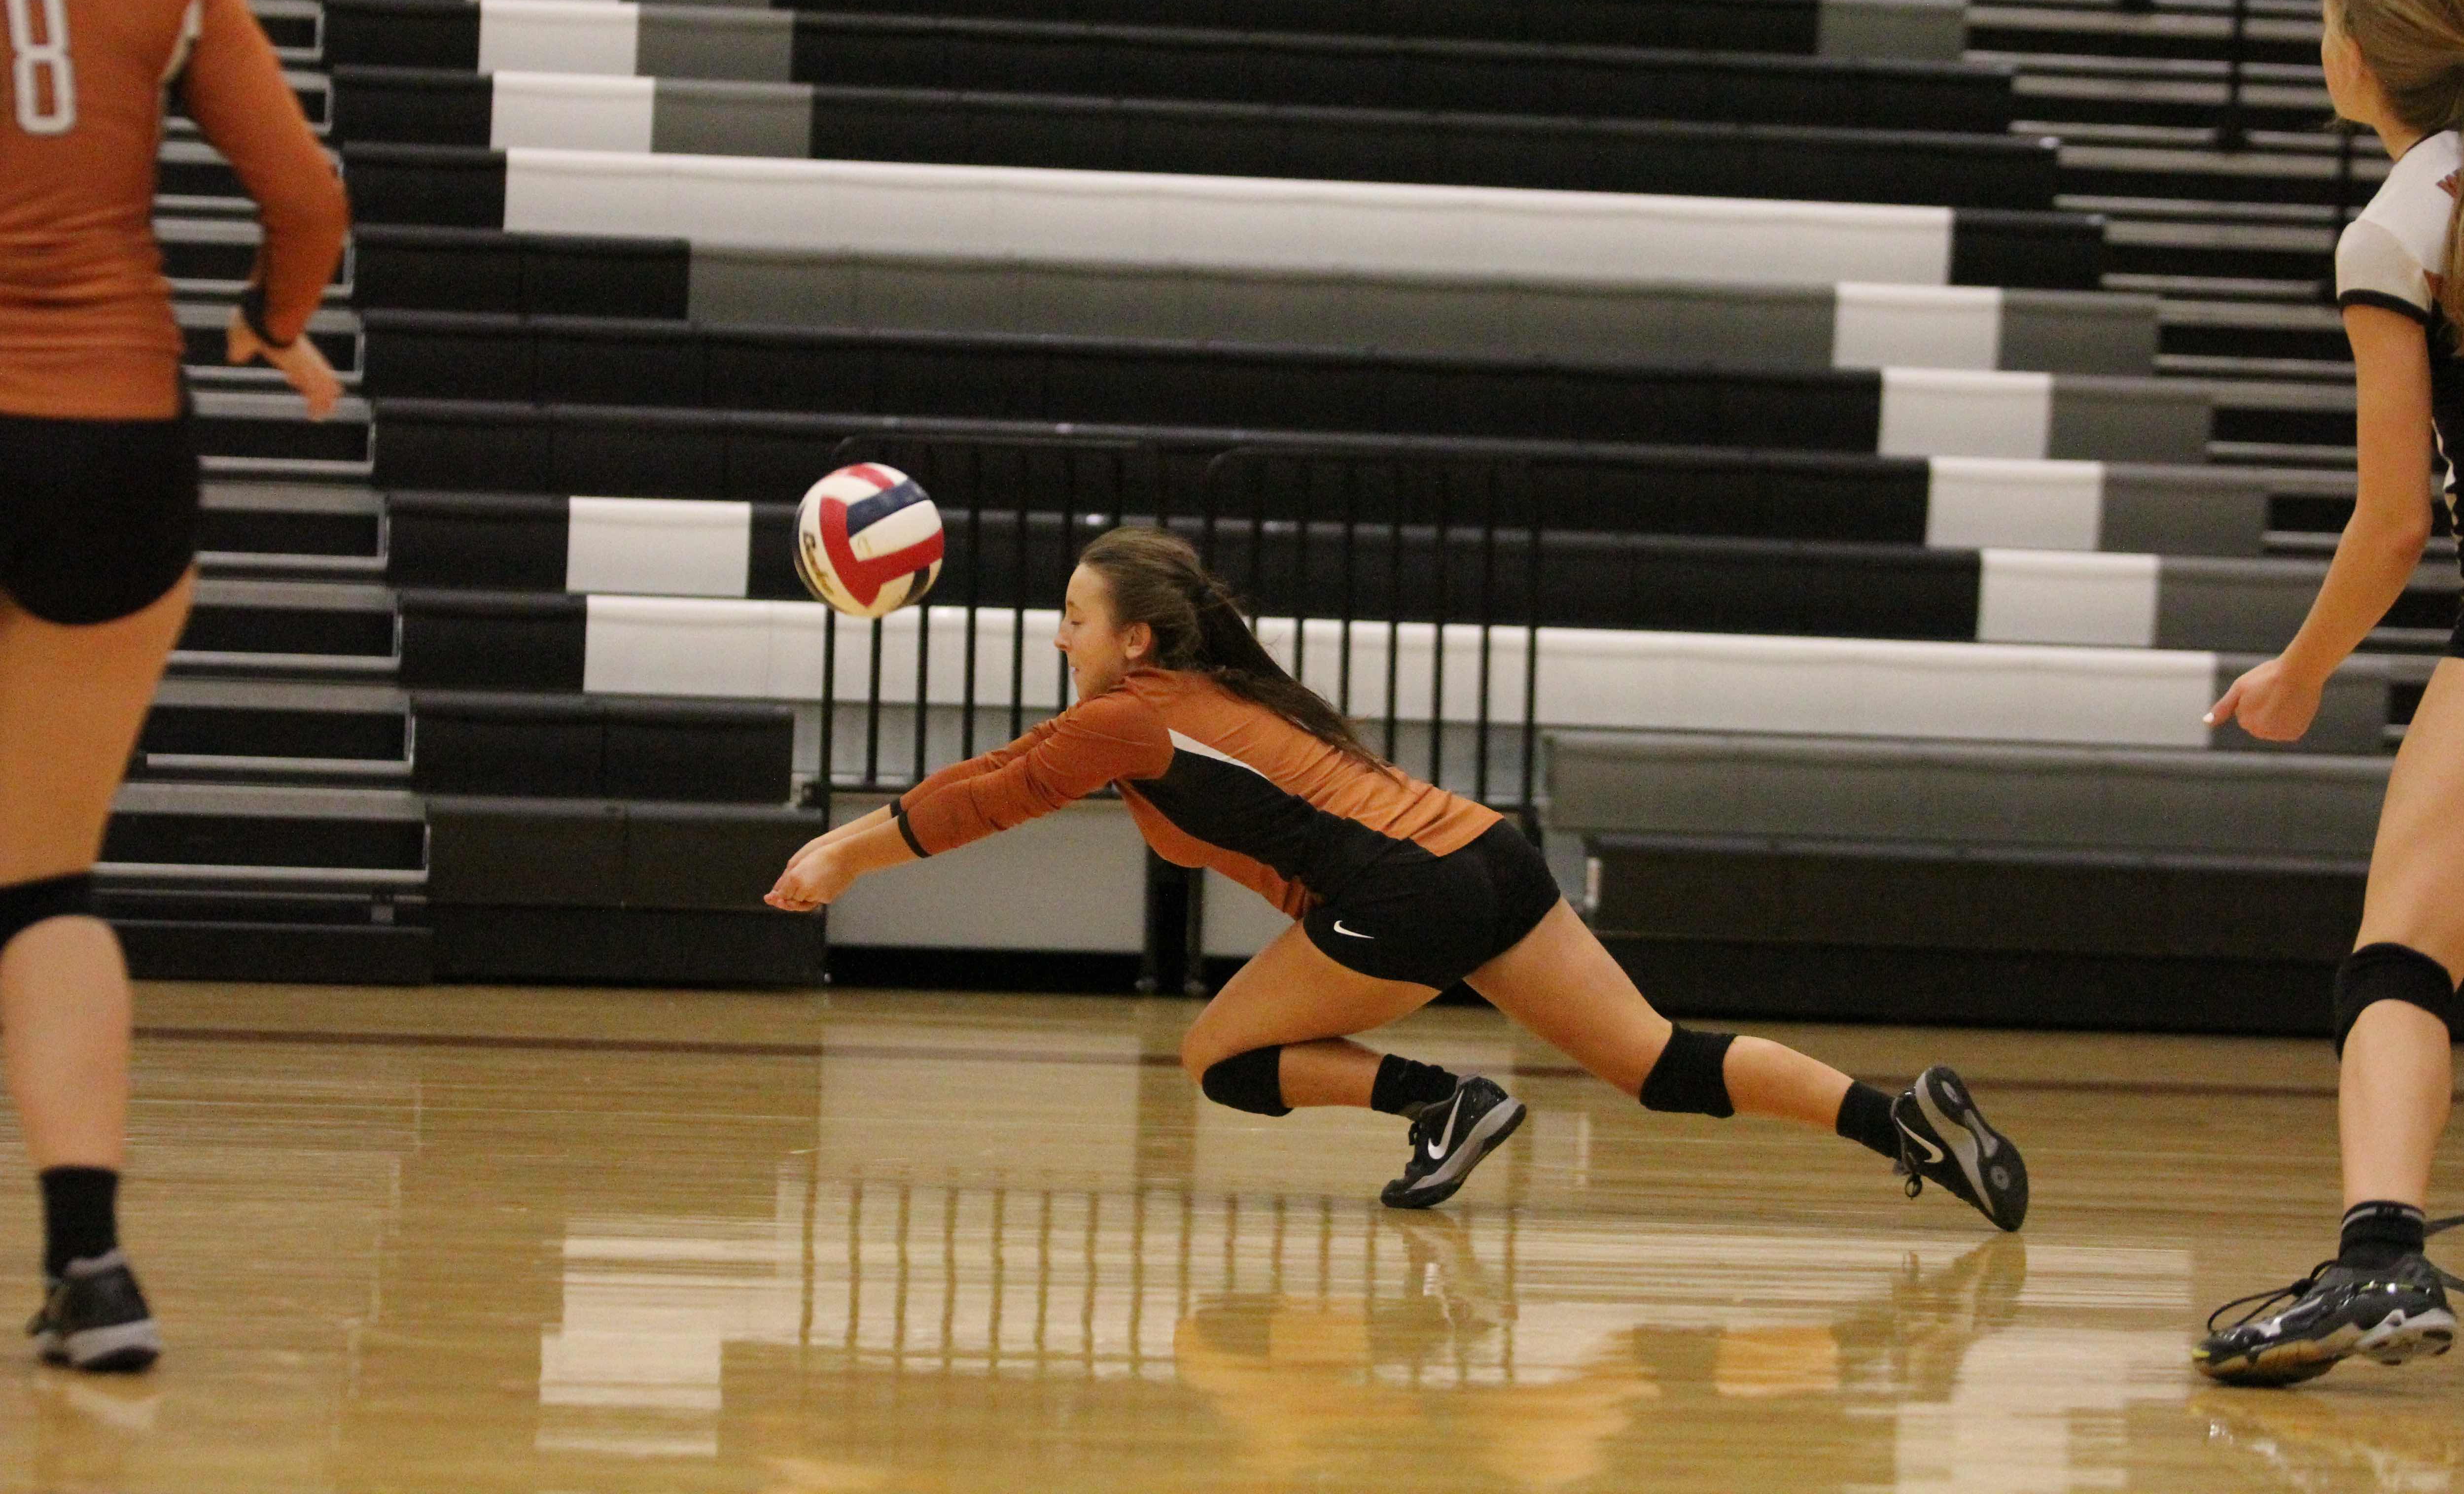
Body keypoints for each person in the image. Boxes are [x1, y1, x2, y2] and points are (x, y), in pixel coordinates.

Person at [769, 525, 2028, 1231]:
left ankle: (1443, 1102)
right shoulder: (1222, 693)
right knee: (1658, 1060)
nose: (1060, 633)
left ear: (1134, 640)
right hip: (1484, 853)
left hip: (1410, 893)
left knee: (1218, 1059)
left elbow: (989, 792)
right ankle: (1901, 1120)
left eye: (1074, 615)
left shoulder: (1132, 714)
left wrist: (840, 850)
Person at [0, 0, 347, 1370]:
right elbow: (304, 199)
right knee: (43, 884)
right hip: (110, 443)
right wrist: (276, 328)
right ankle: (93, 1273)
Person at [2192, 0, 2464, 1386]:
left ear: (2355, 60)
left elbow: (2397, 520)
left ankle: (2379, 1263)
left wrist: (2297, 671)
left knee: (2404, 956)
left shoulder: (2397, 226)